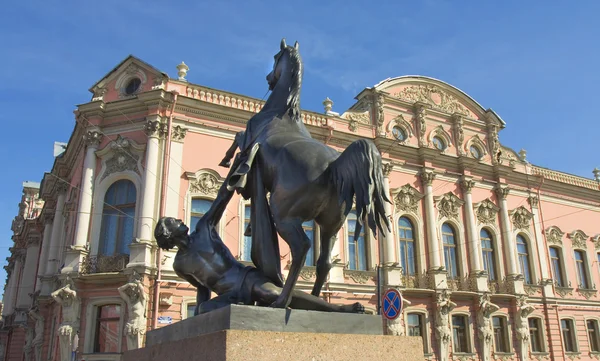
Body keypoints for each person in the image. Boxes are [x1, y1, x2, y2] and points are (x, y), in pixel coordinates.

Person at [154, 174, 364, 315]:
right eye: (175, 222)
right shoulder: (179, 265)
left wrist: (237, 172)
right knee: (201, 310)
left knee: (274, 294)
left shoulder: (203, 230)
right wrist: (199, 315)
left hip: (245, 278)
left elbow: (221, 199)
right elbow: (202, 289)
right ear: (169, 233)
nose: (180, 220)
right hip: (227, 296)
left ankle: (337, 309)